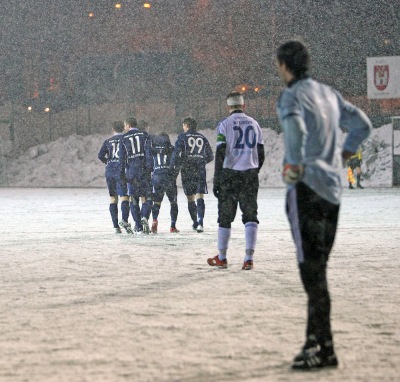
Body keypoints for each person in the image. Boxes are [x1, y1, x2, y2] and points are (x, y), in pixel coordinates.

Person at [276, 40, 372, 370]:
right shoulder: (329, 93)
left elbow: (296, 129)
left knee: (312, 273)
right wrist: (343, 155)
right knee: (319, 271)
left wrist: (295, 164)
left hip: (306, 190)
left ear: (283, 66)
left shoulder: (291, 96)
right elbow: (362, 125)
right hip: (333, 191)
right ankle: (314, 342)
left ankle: (324, 347)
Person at [207, 91, 265, 270]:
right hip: (249, 175)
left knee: (225, 217)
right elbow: (261, 152)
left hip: (230, 175)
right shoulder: (255, 124)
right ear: (244, 105)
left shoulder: (224, 125)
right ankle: (248, 258)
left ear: (228, 106)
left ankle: (222, 257)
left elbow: (221, 153)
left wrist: (217, 179)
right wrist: (254, 170)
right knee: (250, 215)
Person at [170, 117, 214, 232]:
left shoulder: (182, 137)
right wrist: (200, 161)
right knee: (200, 195)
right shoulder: (202, 137)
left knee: (190, 198)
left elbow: (176, 153)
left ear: (186, 125)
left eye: (183, 125)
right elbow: (210, 156)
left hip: (187, 170)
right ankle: (200, 223)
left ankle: (195, 222)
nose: (183, 127)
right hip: (200, 170)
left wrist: (173, 166)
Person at [119, 116, 153, 234]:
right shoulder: (144, 135)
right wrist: (149, 168)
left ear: (128, 125)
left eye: (125, 126)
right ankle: (145, 217)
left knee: (134, 199)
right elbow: (148, 153)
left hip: (131, 172)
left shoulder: (123, 138)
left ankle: (138, 226)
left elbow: (122, 158)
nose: (124, 128)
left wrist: (122, 174)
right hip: (143, 170)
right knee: (147, 197)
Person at [97, 120, 132, 234]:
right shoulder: (125, 139)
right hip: (121, 170)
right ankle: (125, 220)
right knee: (124, 197)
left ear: (113, 129)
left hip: (110, 171)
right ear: (123, 128)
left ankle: (115, 226)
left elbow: (100, 155)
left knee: (113, 198)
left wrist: (108, 161)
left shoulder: (108, 141)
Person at [146, 132, 179, 233]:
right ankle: (172, 226)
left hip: (157, 177)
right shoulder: (172, 148)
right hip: (169, 177)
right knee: (173, 203)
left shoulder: (153, 149)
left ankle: (155, 220)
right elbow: (176, 163)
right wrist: (173, 175)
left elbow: (150, 164)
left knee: (157, 202)